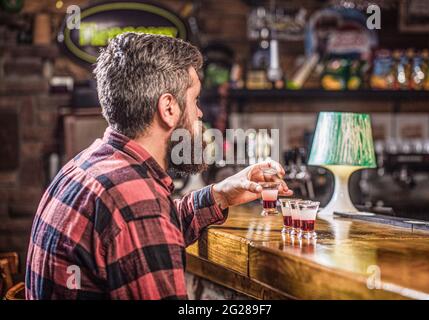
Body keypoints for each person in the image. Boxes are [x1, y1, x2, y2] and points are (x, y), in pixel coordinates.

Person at [26, 33, 292, 299]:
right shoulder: (135, 201)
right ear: (168, 109)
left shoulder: (84, 166)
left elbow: (146, 227)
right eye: (195, 100)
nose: (199, 113)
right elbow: (141, 221)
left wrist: (220, 194)